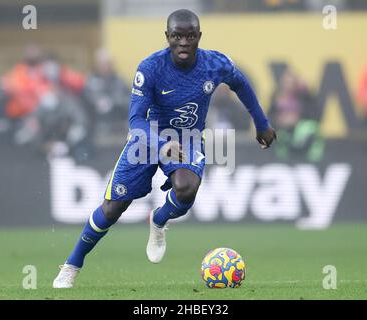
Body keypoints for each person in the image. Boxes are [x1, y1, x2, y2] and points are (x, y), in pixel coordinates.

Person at [53, 9, 276, 288]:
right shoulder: (150, 68)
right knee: (112, 208)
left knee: (186, 187)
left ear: (199, 37)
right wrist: (161, 144)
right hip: (148, 139)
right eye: (177, 36)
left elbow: (241, 83)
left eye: (190, 36)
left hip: (188, 138)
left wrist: (262, 122)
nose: (184, 42)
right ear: (167, 36)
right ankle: (72, 265)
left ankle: (158, 220)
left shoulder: (216, 63)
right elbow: (135, 121)